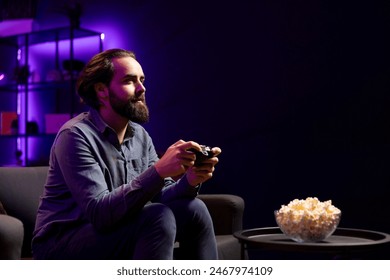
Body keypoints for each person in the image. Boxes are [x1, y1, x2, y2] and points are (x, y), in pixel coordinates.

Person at [32, 48, 221, 260]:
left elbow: (158, 196)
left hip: (114, 227)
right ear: (102, 90)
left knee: (194, 209)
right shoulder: (75, 135)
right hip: (62, 243)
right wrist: (158, 171)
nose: (142, 88)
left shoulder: (140, 135)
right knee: (157, 216)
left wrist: (190, 181)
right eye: (130, 81)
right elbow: (100, 214)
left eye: (142, 80)